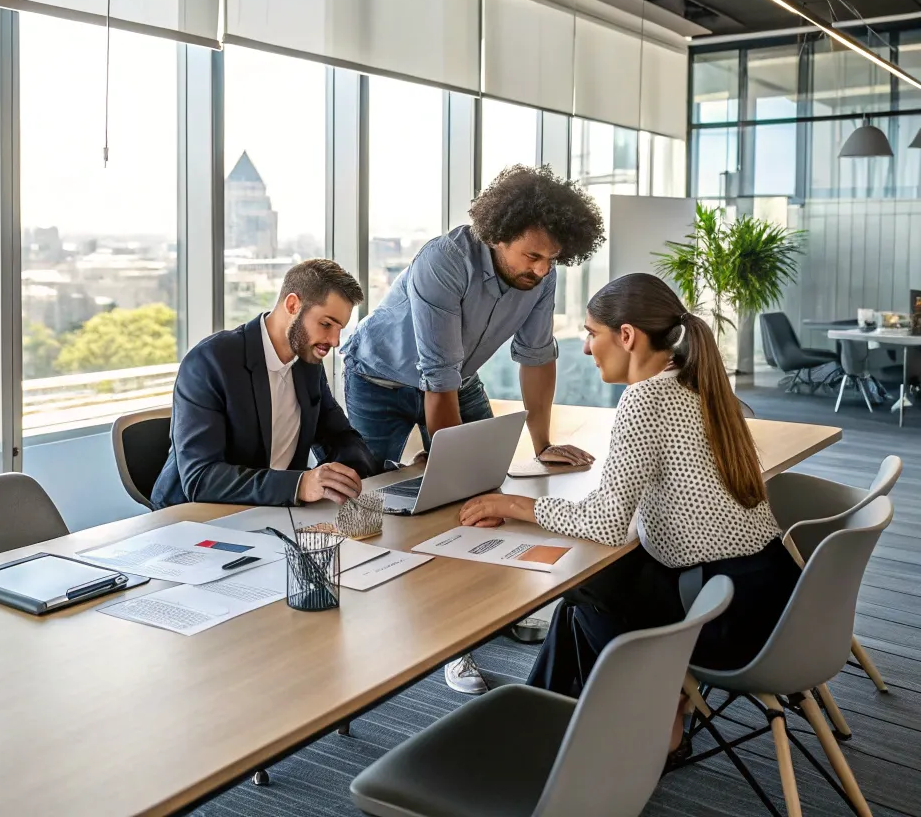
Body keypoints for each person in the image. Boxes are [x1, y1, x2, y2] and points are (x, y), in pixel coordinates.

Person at [459, 272, 800, 755]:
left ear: (627, 336)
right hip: (773, 596)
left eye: (591, 333)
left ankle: (615, 722)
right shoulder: (695, 380)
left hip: (723, 617)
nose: (585, 349)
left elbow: (604, 522)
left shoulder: (645, 398)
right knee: (583, 601)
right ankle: (551, 729)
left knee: (582, 584)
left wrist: (512, 504)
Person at [342, 165, 606, 695]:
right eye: (531, 255)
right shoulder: (445, 263)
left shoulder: (540, 272)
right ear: (496, 233)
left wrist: (544, 444)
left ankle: (479, 620)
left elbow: (536, 357)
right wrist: (449, 472)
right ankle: (364, 629)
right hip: (380, 380)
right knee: (365, 504)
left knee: (490, 495)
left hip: (454, 376)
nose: (539, 269)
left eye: (551, 258)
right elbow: (434, 378)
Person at [150, 259, 377, 510]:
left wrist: (355, 473)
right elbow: (201, 478)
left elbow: (339, 436)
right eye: (326, 324)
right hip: (195, 518)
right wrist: (299, 485)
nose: (334, 341)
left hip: (274, 514)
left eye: (339, 329)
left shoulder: (307, 363)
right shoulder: (210, 361)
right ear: (293, 305)